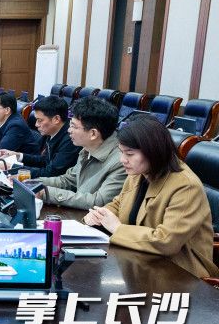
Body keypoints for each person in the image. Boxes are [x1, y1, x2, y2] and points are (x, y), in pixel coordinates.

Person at [84, 115, 219, 279]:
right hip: (140, 259)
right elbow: (119, 204)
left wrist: (117, 228)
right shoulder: (139, 172)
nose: (122, 160)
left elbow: (166, 241)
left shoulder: (186, 186)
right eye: (121, 152)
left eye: (129, 154)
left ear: (154, 152)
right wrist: (99, 215)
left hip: (180, 272)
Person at [37, 96, 126, 209]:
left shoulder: (121, 161)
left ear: (93, 134)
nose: (69, 130)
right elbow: (68, 180)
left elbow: (99, 201)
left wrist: (45, 192)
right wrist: (32, 182)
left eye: (74, 127)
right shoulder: (87, 148)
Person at [0, 96, 79, 178]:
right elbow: (44, 160)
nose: (36, 124)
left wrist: (14, 168)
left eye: (40, 120)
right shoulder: (52, 131)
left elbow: (51, 173)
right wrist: (18, 155)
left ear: (56, 119)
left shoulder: (71, 139)